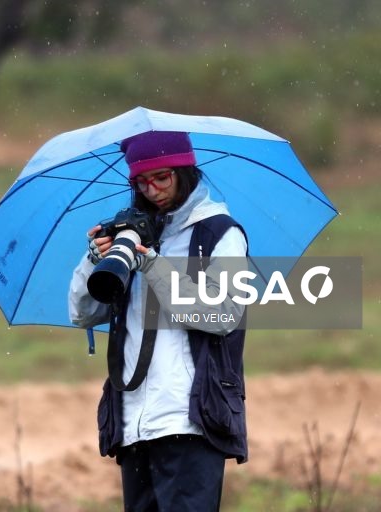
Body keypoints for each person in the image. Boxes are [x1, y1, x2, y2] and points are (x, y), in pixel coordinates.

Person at [68, 131, 249, 511]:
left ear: (185, 172)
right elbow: (83, 314)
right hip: (133, 421)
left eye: (161, 178)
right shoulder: (131, 235)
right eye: (141, 182)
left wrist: (150, 262)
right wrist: (96, 259)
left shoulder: (219, 232)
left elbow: (222, 315)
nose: (151, 190)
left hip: (189, 419)